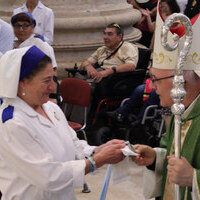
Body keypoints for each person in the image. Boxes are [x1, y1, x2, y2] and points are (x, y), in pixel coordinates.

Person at [0, 45, 126, 200]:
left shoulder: (51, 108)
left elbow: (72, 142)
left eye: (53, 78)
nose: (53, 87)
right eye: (46, 81)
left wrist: (95, 151)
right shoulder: (12, 123)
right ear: (22, 82)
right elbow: (48, 177)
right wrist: (96, 161)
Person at [132, 5, 200, 199]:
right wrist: (155, 158)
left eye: (154, 79)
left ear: (181, 82)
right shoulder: (180, 113)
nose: (152, 87)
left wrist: (193, 178)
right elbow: (175, 158)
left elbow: (187, 173)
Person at [79, 23, 139, 111]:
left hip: (115, 78)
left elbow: (131, 66)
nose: (105, 37)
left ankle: (85, 119)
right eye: (105, 33)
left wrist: (107, 72)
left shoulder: (128, 47)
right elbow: (84, 63)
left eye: (110, 34)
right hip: (98, 74)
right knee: (76, 82)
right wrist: (89, 67)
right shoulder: (102, 49)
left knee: (85, 87)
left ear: (119, 36)